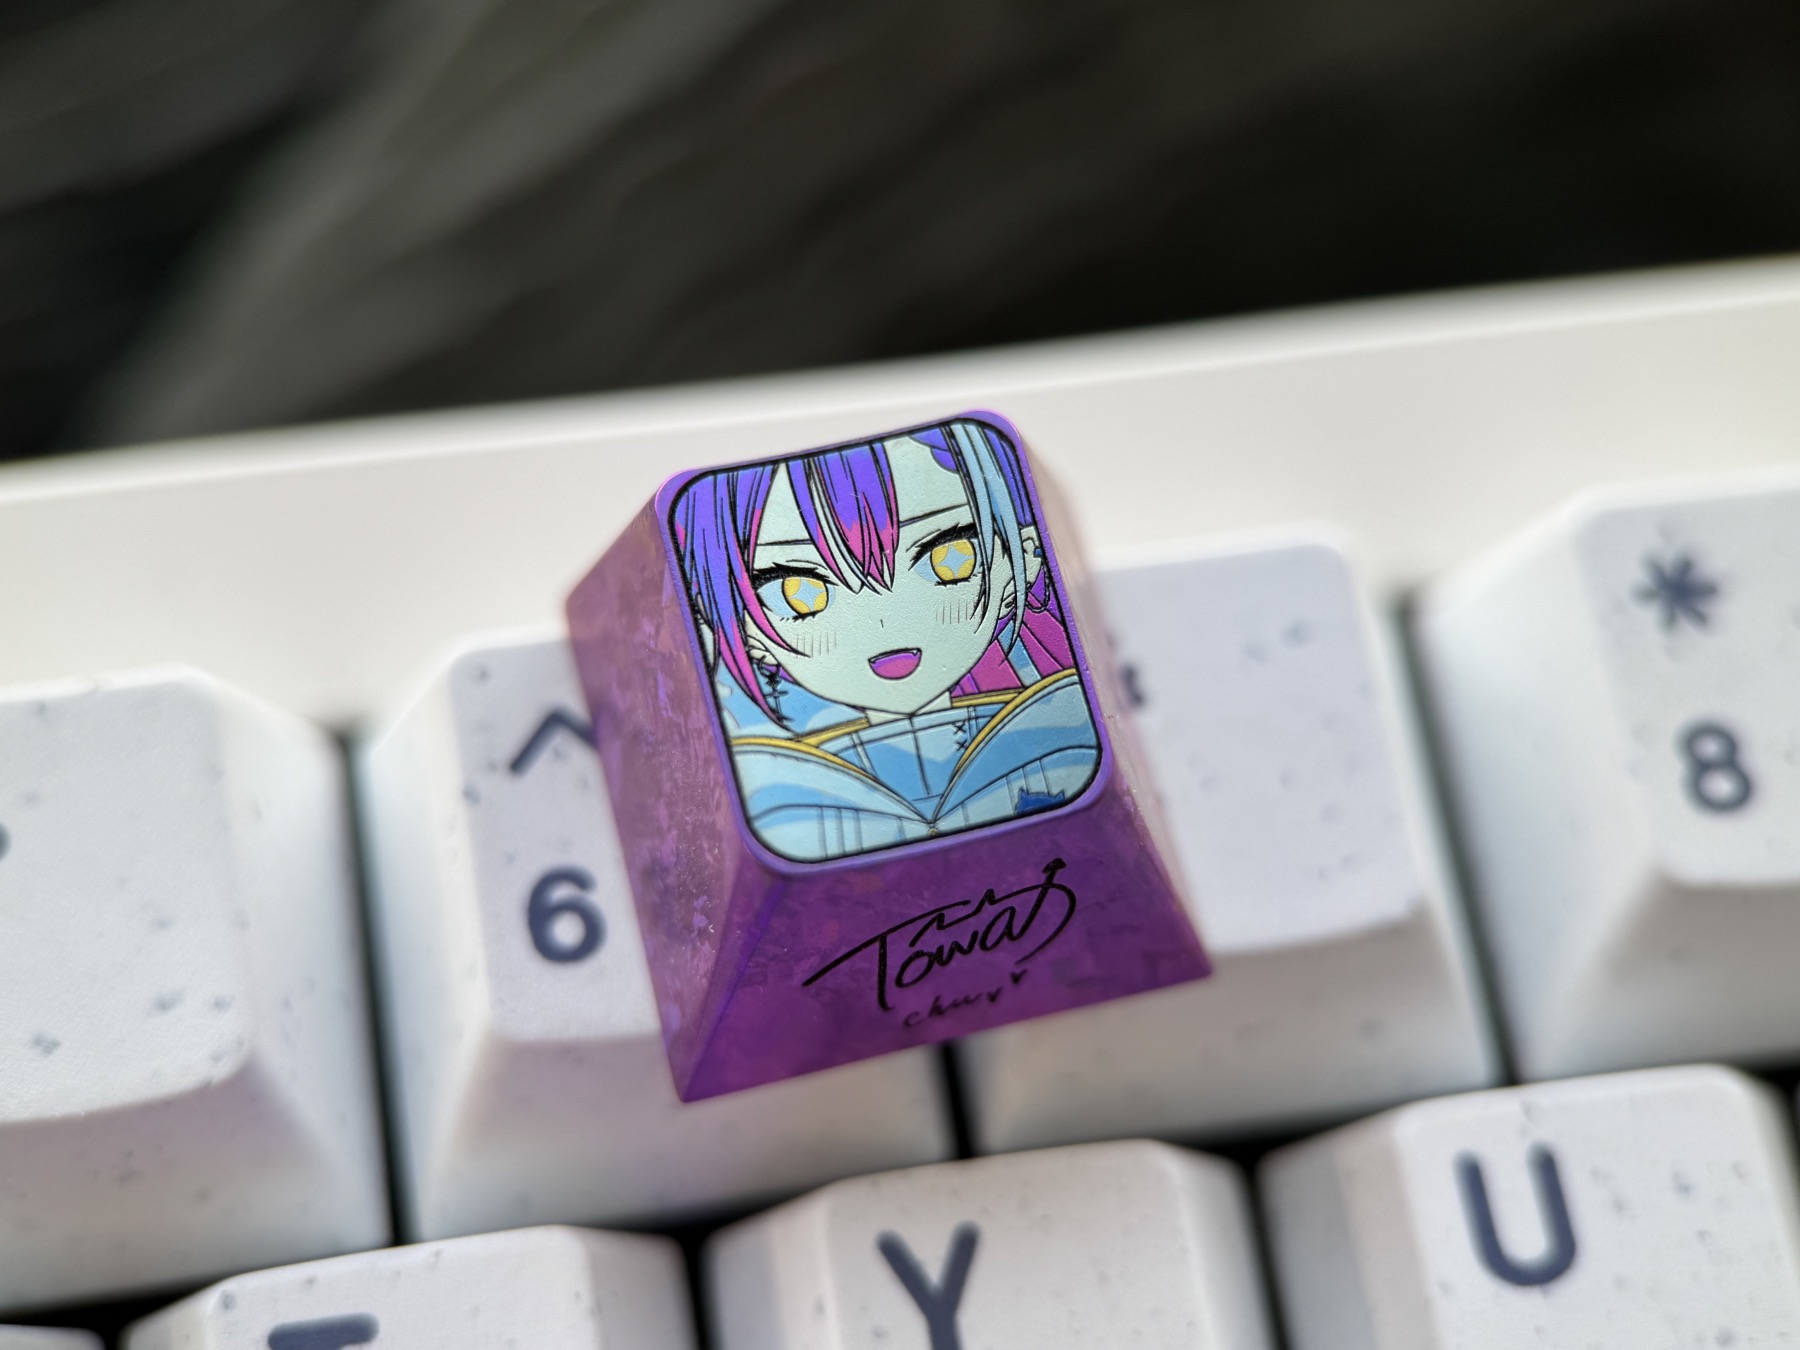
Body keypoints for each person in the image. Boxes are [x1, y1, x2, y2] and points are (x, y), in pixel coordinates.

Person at [672, 418, 1100, 862]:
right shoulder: (785, 786)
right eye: (798, 593)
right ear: (745, 630)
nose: (882, 625)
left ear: (1023, 559)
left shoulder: (1060, 727)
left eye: (949, 558)